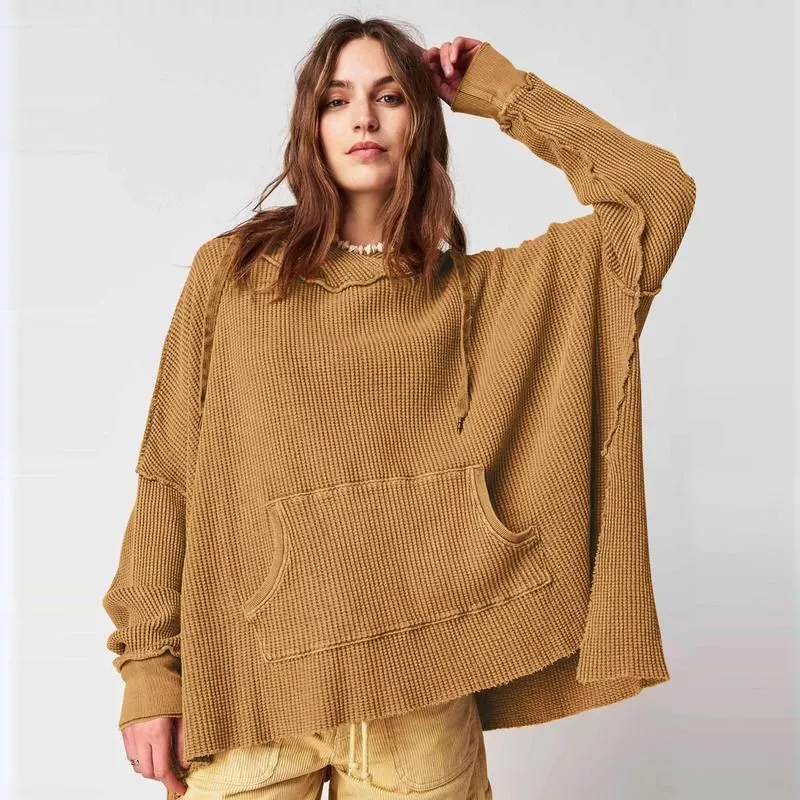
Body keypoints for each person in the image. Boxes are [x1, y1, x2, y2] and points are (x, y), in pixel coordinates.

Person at [102, 15, 696, 800]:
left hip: (420, 701)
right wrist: (149, 671)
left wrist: (504, 93)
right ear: (310, 126)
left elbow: (657, 196)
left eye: (390, 97)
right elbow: (169, 473)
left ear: (421, 122)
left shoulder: (481, 297)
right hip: (253, 698)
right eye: (337, 99)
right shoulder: (235, 275)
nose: (363, 119)